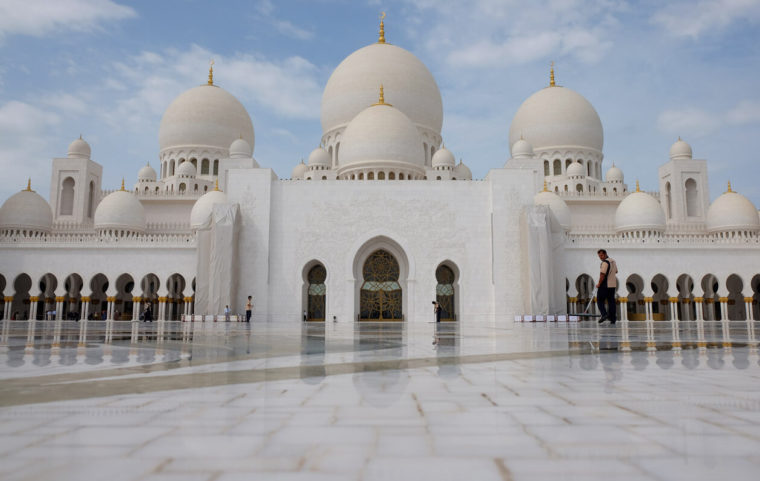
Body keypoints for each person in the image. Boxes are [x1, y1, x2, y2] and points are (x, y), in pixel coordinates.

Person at [596, 249, 618, 325]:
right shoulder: (613, 261)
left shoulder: (605, 263)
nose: (600, 257)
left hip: (605, 285)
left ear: (605, 254)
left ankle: (604, 314)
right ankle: (613, 319)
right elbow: (616, 271)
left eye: (601, 255)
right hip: (612, 285)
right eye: (599, 256)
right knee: (611, 301)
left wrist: (599, 283)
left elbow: (602, 274)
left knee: (599, 300)